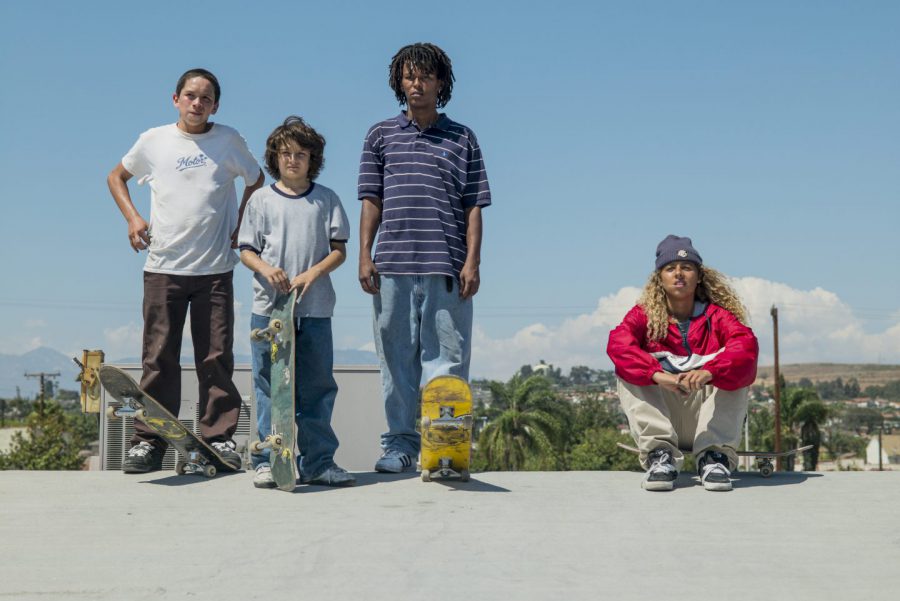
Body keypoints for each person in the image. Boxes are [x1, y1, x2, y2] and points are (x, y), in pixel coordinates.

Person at [107, 68, 264, 473]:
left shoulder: (228, 140)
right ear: (175, 99)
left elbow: (256, 179)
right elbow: (116, 176)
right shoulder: (154, 140)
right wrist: (133, 218)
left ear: (216, 106)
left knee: (216, 357)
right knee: (159, 358)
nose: (197, 103)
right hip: (164, 267)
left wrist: (242, 223)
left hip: (215, 270)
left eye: (206, 98)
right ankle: (149, 441)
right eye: (190, 95)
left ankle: (219, 438)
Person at [357, 43, 491, 472]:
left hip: (447, 267)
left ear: (440, 83)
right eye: (409, 77)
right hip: (392, 266)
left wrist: (473, 262)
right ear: (399, 82)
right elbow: (371, 199)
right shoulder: (380, 135)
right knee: (396, 363)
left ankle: (444, 450)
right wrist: (364, 255)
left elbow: (474, 205)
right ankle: (400, 446)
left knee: (447, 363)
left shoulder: (463, 138)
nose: (417, 84)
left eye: (426, 77)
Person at [238, 116, 354, 488]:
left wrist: (313, 273)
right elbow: (246, 250)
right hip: (269, 311)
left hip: (315, 310)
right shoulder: (261, 200)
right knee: (270, 386)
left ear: (312, 159)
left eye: (301, 154)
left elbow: (339, 251)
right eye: (286, 153)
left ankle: (318, 462)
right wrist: (266, 269)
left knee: (316, 387)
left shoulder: (326, 199)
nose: (293, 160)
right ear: (275, 157)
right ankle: (268, 460)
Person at [606, 235, 758, 491]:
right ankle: (660, 456)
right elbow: (618, 345)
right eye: (670, 268)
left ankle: (714, 458)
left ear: (698, 276)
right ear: (659, 278)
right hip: (665, 416)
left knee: (737, 367)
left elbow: (746, 346)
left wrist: (710, 371)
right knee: (626, 368)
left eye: (686, 267)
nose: (678, 274)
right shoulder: (642, 317)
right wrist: (656, 374)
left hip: (707, 420)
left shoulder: (718, 317)